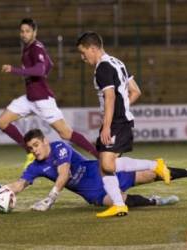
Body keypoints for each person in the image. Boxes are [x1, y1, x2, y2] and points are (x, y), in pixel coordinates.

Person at [0, 129, 187, 211]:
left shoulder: (59, 147)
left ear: (45, 141)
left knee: (153, 174)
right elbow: (20, 184)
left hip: (102, 173)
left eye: (36, 145)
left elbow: (63, 174)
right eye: (30, 148)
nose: (34, 150)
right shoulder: (36, 166)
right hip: (93, 194)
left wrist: (49, 199)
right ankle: (156, 202)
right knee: (123, 204)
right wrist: (4, 190)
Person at [75, 31, 171, 217]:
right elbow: (135, 91)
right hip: (121, 120)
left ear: (93, 48)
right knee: (104, 165)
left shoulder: (102, 67)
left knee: (108, 165)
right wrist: (122, 110)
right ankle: (119, 204)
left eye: (83, 52)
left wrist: (108, 125)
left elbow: (110, 97)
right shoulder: (117, 62)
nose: (82, 57)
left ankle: (154, 165)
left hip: (116, 123)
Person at [0, 18, 98, 169]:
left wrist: (14, 70)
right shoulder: (28, 48)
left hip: (42, 99)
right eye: (22, 31)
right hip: (30, 98)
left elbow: (40, 69)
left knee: (65, 133)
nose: (24, 34)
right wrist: (39, 79)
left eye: (28, 31)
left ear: (34, 32)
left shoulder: (36, 47)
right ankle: (30, 154)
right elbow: (49, 64)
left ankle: (99, 155)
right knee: (1, 121)